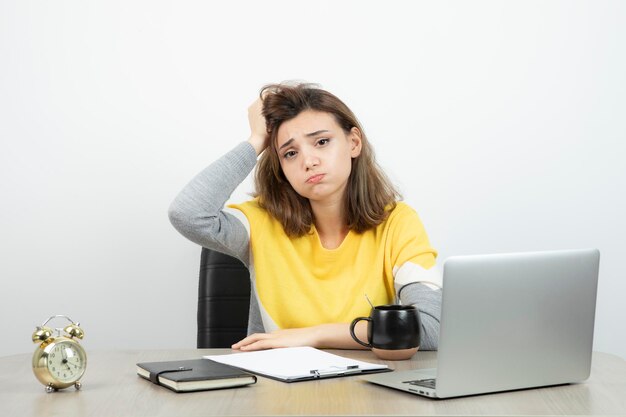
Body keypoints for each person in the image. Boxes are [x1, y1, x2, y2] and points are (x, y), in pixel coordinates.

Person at [168, 81, 442, 352]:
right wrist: (256, 141)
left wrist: (314, 335)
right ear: (282, 168)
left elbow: (431, 329)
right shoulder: (261, 222)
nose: (308, 161)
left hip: (369, 387)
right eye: (290, 153)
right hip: (275, 389)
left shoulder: (398, 223)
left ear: (354, 142)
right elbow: (188, 214)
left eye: (322, 142)